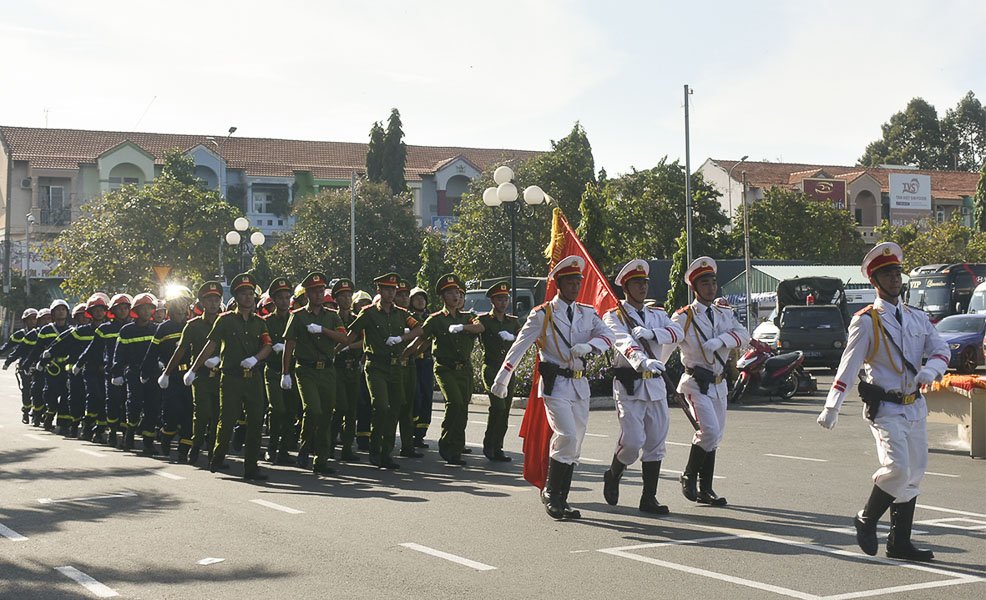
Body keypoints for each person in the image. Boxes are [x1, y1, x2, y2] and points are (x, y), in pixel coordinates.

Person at [817, 242, 948, 562]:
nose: (894, 279)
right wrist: (831, 405)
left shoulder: (917, 318)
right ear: (874, 281)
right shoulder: (866, 321)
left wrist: (932, 369)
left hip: (914, 405)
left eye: (897, 273)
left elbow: (943, 349)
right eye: (887, 274)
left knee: (915, 472)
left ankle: (899, 541)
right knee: (898, 468)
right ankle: (866, 518)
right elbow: (847, 366)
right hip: (886, 408)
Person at [491, 256, 614, 519]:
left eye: (578, 281)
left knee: (576, 444)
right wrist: (503, 377)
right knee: (566, 435)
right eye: (569, 281)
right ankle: (550, 492)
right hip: (555, 386)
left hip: (579, 385)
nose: (575, 286)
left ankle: (562, 497)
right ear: (558, 284)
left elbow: (609, 335)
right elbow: (520, 346)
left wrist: (590, 346)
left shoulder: (587, 313)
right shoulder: (542, 314)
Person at [602, 260, 683, 514]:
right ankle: (614, 473)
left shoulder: (657, 314)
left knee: (656, 443)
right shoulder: (614, 315)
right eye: (636, 283)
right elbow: (622, 340)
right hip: (630, 384)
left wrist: (653, 334)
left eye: (644, 283)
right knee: (633, 442)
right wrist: (642, 360)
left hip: (655, 386)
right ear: (625, 287)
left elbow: (677, 332)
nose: (642, 287)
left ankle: (649, 498)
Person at [668, 257, 749, 507]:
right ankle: (688, 476)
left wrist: (722, 340)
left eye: (713, 282)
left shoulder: (724, 313)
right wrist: (653, 366)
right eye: (705, 283)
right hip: (695, 383)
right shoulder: (684, 317)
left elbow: (744, 336)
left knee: (715, 436)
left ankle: (706, 489)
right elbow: (668, 341)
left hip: (718, 383)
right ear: (695, 287)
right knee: (709, 431)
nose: (711, 287)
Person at [185, 273, 273, 481]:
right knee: (226, 421)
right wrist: (194, 369)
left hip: (253, 378)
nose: (248, 297)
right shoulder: (225, 321)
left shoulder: (259, 323)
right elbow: (210, 346)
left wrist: (255, 359)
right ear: (235, 296)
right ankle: (217, 457)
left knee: (254, 423)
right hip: (231, 378)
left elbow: (268, 345)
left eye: (251, 293)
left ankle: (251, 467)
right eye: (243, 293)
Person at [345, 273, 423, 469]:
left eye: (394, 289)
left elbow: (420, 329)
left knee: (394, 409)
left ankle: (386, 452)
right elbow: (350, 336)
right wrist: (338, 349)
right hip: (376, 366)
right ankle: (375, 448)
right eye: (387, 289)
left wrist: (402, 340)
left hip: (396, 366)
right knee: (381, 406)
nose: (391, 293)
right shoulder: (368, 312)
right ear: (379, 291)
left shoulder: (401, 313)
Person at [406, 274, 483, 466]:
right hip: (445, 368)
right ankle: (446, 442)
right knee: (455, 402)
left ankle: (455, 449)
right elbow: (422, 338)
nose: (455, 296)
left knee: (463, 408)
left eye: (457, 292)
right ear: (442, 297)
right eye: (450, 293)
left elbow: (480, 327)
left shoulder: (468, 317)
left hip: (464, 368)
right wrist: (405, 352)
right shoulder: (436, 319)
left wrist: (462, 327)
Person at [281, 271, 350, 475]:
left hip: (327, 370)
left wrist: (322, 330)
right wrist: (286, 373)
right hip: (306, 369)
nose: (319, 295)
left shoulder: (332, 316)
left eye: (321, 291)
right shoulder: (298, 316)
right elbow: (289, 346)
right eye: (314, 291)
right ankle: (304, 445)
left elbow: (344, 339)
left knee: (326, 415)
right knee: (313, 410)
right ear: (307, 294)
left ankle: (320, 460)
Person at [163, 282, 223, 466]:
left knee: (218, 416)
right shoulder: (193, 325)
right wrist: (167, 372)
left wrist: (220, 359)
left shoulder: (227, 321)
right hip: (200, 376)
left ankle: (214, 453)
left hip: (221, 376)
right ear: (201, 303)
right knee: (203, 413)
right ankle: (195, 446)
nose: (213, 303)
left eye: (217, 299)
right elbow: (180, 350)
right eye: (209, 299)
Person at [147, 285, 194, 462]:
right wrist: (150, 372)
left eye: (185, 303)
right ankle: (166, 436)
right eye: (178, 303)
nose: (181, 307)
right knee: (172, 412)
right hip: (170, 376)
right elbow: (152, 352)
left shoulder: (192, 325)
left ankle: (184, 450)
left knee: (189, 413)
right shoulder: (164, 328)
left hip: (190, 375)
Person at [78, 294, 131, 446]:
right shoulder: (105, 328)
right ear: (113, 311)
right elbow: (93, 348)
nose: (122, 312)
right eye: (119, 309)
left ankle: (127, 434)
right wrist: (79, 363)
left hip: (128, 372)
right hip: (109, 372)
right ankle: (106, 431)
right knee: (109, 402)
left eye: (125, 308)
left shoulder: (133, 328)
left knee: (127, 403)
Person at [477, 281, 520, 462]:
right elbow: (475, 328)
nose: (503, 302)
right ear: (492, 301)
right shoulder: (484, 320)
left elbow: (524, 336)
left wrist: (513, 337)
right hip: (492, 369)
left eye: (505, 299)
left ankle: (498, 447)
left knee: (505, 410)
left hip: (508, 370)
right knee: (498, 406)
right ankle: (489, 444)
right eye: (499, 299)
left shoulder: (513, 321)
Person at [112, 292, 160, 454]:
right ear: (137, 311)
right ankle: (129, 434)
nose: (146, 312)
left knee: (152, 407)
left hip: (153, 373)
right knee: (134, 404)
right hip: (134, 372)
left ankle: (148, 441)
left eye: (149, 308)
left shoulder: (156, 329)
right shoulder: (127, 330)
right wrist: (116, 372)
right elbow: (118, 353)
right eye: (143, 308)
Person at [262, 277, 297, 465]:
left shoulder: (296, 318)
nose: (285, 301)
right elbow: (261, 343)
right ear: (273, 300)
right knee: (277, 409)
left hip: (293, 371)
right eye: (280, 298)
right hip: (274, 370)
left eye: (287, 297)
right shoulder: (266, 321)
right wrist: (272, 346)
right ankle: (272, 448)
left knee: (291, 411)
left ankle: (284, 450)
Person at [28, 300, 72, 433]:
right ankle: (50, 413)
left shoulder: (72, 330)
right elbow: (37, 349)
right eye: (58, 309)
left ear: (67, 312)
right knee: (50, 394)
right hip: (51, 368)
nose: (61, 311)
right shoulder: (46, 329)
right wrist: (33, 363)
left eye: (63, 309)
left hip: (67, 368)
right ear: (53, 313)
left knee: (66, 396)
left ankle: (62, 425)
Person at [331, 277, 362, 462]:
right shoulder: (331, 318)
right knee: (339, 406)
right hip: (337, 368)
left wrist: (349, 346)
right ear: (336, 299)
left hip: (353, 368)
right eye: (343, 295)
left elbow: (366, 340)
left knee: (352, 410)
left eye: (349, 295)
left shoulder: (357, 320)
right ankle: (330, 443)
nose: (347, 299)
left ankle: (348, 447)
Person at [394, 278, 423, 458]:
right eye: (400, 295)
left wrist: (409, 349)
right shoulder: (392, 315)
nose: (404, 298)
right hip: (392, 365)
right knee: (392, 406)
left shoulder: (409, 318)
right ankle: (383, 445)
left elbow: (422, 332)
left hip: (409, 364)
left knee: (408, 407)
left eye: (406, 295)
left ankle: (407, 445)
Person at [408, 286, 434, 448]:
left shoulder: (430, 318)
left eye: (422, 298)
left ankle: (420, 435)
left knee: (426, 398)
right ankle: (410, 431)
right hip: (412, 362)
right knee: (414, 397)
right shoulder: (407, 318)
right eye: (417, 298)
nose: (420, 301)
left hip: (426, 363)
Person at [2, 308, 39, 424]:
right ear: (25, 321)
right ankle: (26, 411)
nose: (33, 321)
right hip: (25, 366)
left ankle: (38, 412)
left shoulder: (43, 333)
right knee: (27, 389)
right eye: (31, 319)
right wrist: (8, 361)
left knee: (39, 389)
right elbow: (7, 347)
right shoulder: (20, 334)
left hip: (39, 365)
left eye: (35, 318)